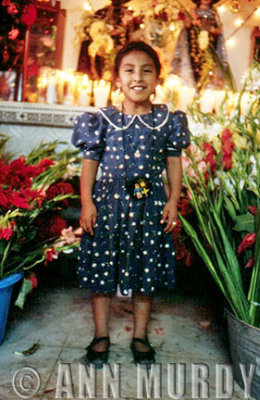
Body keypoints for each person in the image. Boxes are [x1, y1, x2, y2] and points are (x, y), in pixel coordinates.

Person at [72, 41, 190, 366]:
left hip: (149, 207)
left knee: (145, 269)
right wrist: (86, 203)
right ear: (117, 80)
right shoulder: (103, 121)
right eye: (129, 70)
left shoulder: (166, 121)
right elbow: (90, 163)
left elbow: (174, 163)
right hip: (107, 206)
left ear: (157, 79)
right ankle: (100, 335)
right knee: (101, 269)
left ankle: (140, 335)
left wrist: (173, 201)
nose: (138, 77)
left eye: (146, 70)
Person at [171, 0, 234, 91]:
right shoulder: (193, 12)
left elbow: (218, 31)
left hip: (209, 48)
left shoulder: (214, 13)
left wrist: (211, 30)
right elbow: (186, 28)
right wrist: (191, 23)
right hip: (193, 47)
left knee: (208, 72)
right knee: (193, 70)